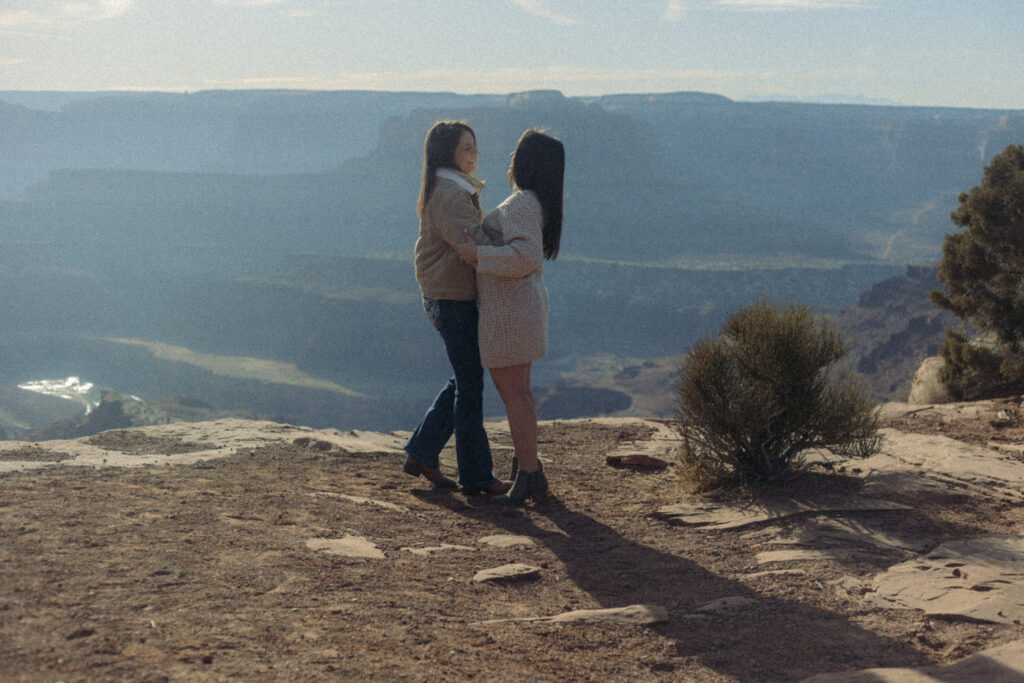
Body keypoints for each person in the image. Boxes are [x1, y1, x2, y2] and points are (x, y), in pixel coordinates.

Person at [456, 129, 564, 505]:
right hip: (523, 307)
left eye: (517, 152)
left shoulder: (521, 203)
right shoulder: (537, 202)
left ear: (528, 162)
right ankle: (527, 467)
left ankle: (529, 474)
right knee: (522, 394)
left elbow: (526, 256)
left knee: (514, 396)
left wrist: (477, 256)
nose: (511, 157)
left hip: (510, 312)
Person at [402, 120, 510, 496]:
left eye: (474, 146)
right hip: (451, 299)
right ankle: (476, 474)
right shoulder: (450, 194)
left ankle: (422, 451)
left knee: (464, 378)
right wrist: (517, 244)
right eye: (467, 148)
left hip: (447, 296)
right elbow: (476, 241)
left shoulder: (451, 188)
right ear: (448, 153)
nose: (474, 154)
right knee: (470, 384)